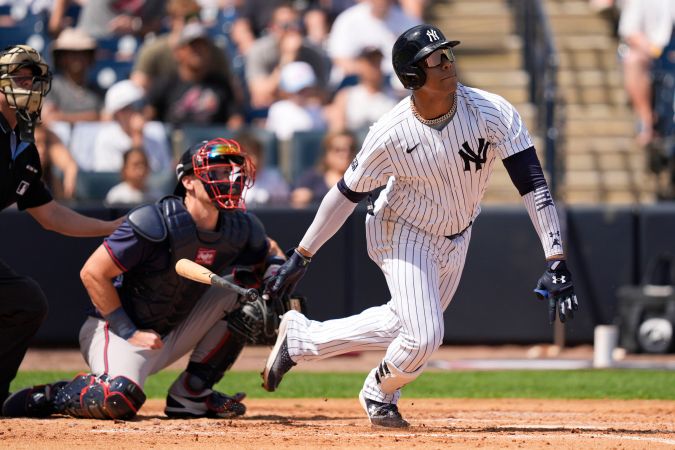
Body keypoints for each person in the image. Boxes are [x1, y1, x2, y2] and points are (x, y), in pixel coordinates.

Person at [260, 25, 580, 428]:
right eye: (436, 58)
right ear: (412, 76)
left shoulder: (492, 111)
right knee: (425, 336)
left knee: (402, 323)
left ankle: (302, 339)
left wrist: (556, 256)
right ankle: (379, 390)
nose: (448, 63)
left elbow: (532, 184)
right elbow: (344, 195)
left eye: (448, 54)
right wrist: (302, 255)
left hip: (457, 232)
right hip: (400, 230)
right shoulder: (390, 133)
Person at [3, 137, 285, 420]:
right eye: (216, 173)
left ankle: (192, 393)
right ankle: (52, 396)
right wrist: (128, 330)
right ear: (188, 181)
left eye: (229, 173)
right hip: (117, 330)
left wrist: (276, 277)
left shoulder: (240, 226)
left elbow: (269, 250)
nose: (227, 180)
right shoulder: (154, 220)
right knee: (118, 399)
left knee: (247, 291)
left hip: (171, 330)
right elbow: (92, 272)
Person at [0, 45, 123, 410]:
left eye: (31, 78)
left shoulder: (21, 144)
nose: (27, 84)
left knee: (25, 300)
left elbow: (50, 214)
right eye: (17, 77)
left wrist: (111, 226)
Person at [245, 4, 330, 109]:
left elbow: (323, 96)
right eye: (285, 26)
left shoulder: (313, 53)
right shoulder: (259, 50)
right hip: (270, 112)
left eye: (296, 24)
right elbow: (259, 96)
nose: (291, 30)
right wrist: (288, 58)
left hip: (305, 110)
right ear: (273, 27)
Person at [618, 0, 675, 146]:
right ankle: (646, 120)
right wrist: (655, 51)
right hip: (655, 53)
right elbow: (629, 31)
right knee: (631, 60)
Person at [92, 80, 172, 173]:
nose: (140, 110)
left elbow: (165, 174)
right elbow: (118, 178)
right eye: (133, 106)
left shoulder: (157, 131)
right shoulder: (106, 138)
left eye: (141, 104)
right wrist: (137, 138)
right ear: (118, 114)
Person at [324, 46, 399, 133]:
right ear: (360, 64)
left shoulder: (394, 97)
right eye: (370, 63)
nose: (375, 67)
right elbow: (337, 132)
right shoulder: (346, 96)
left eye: (378, 62)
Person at [40, 27, 103, 124]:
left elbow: (106, 118)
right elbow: (48, 119)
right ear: (61, 58)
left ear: (90, 57)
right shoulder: (51, 87)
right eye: (71, 53)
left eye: (83, 53)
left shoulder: (97, 90)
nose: (77, 58)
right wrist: (92, 117)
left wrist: (63, 117)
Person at [290, 130, 356, 208]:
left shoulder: (363, 178)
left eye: (350, 149)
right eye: (338, 149)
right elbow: (296, 197)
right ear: (326, 153)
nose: (346, 154)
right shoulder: (312, 178)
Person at [265, 61, 327, 142]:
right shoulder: (279, 110)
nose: (303, 94)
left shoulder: (316, 110)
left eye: (306, 89)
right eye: (298, 91)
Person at [236, 131, 290, 207]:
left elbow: (286, 206)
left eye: (258, 154)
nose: (255, 160)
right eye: (249, 155)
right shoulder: (229, 180)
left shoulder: (275, 178)